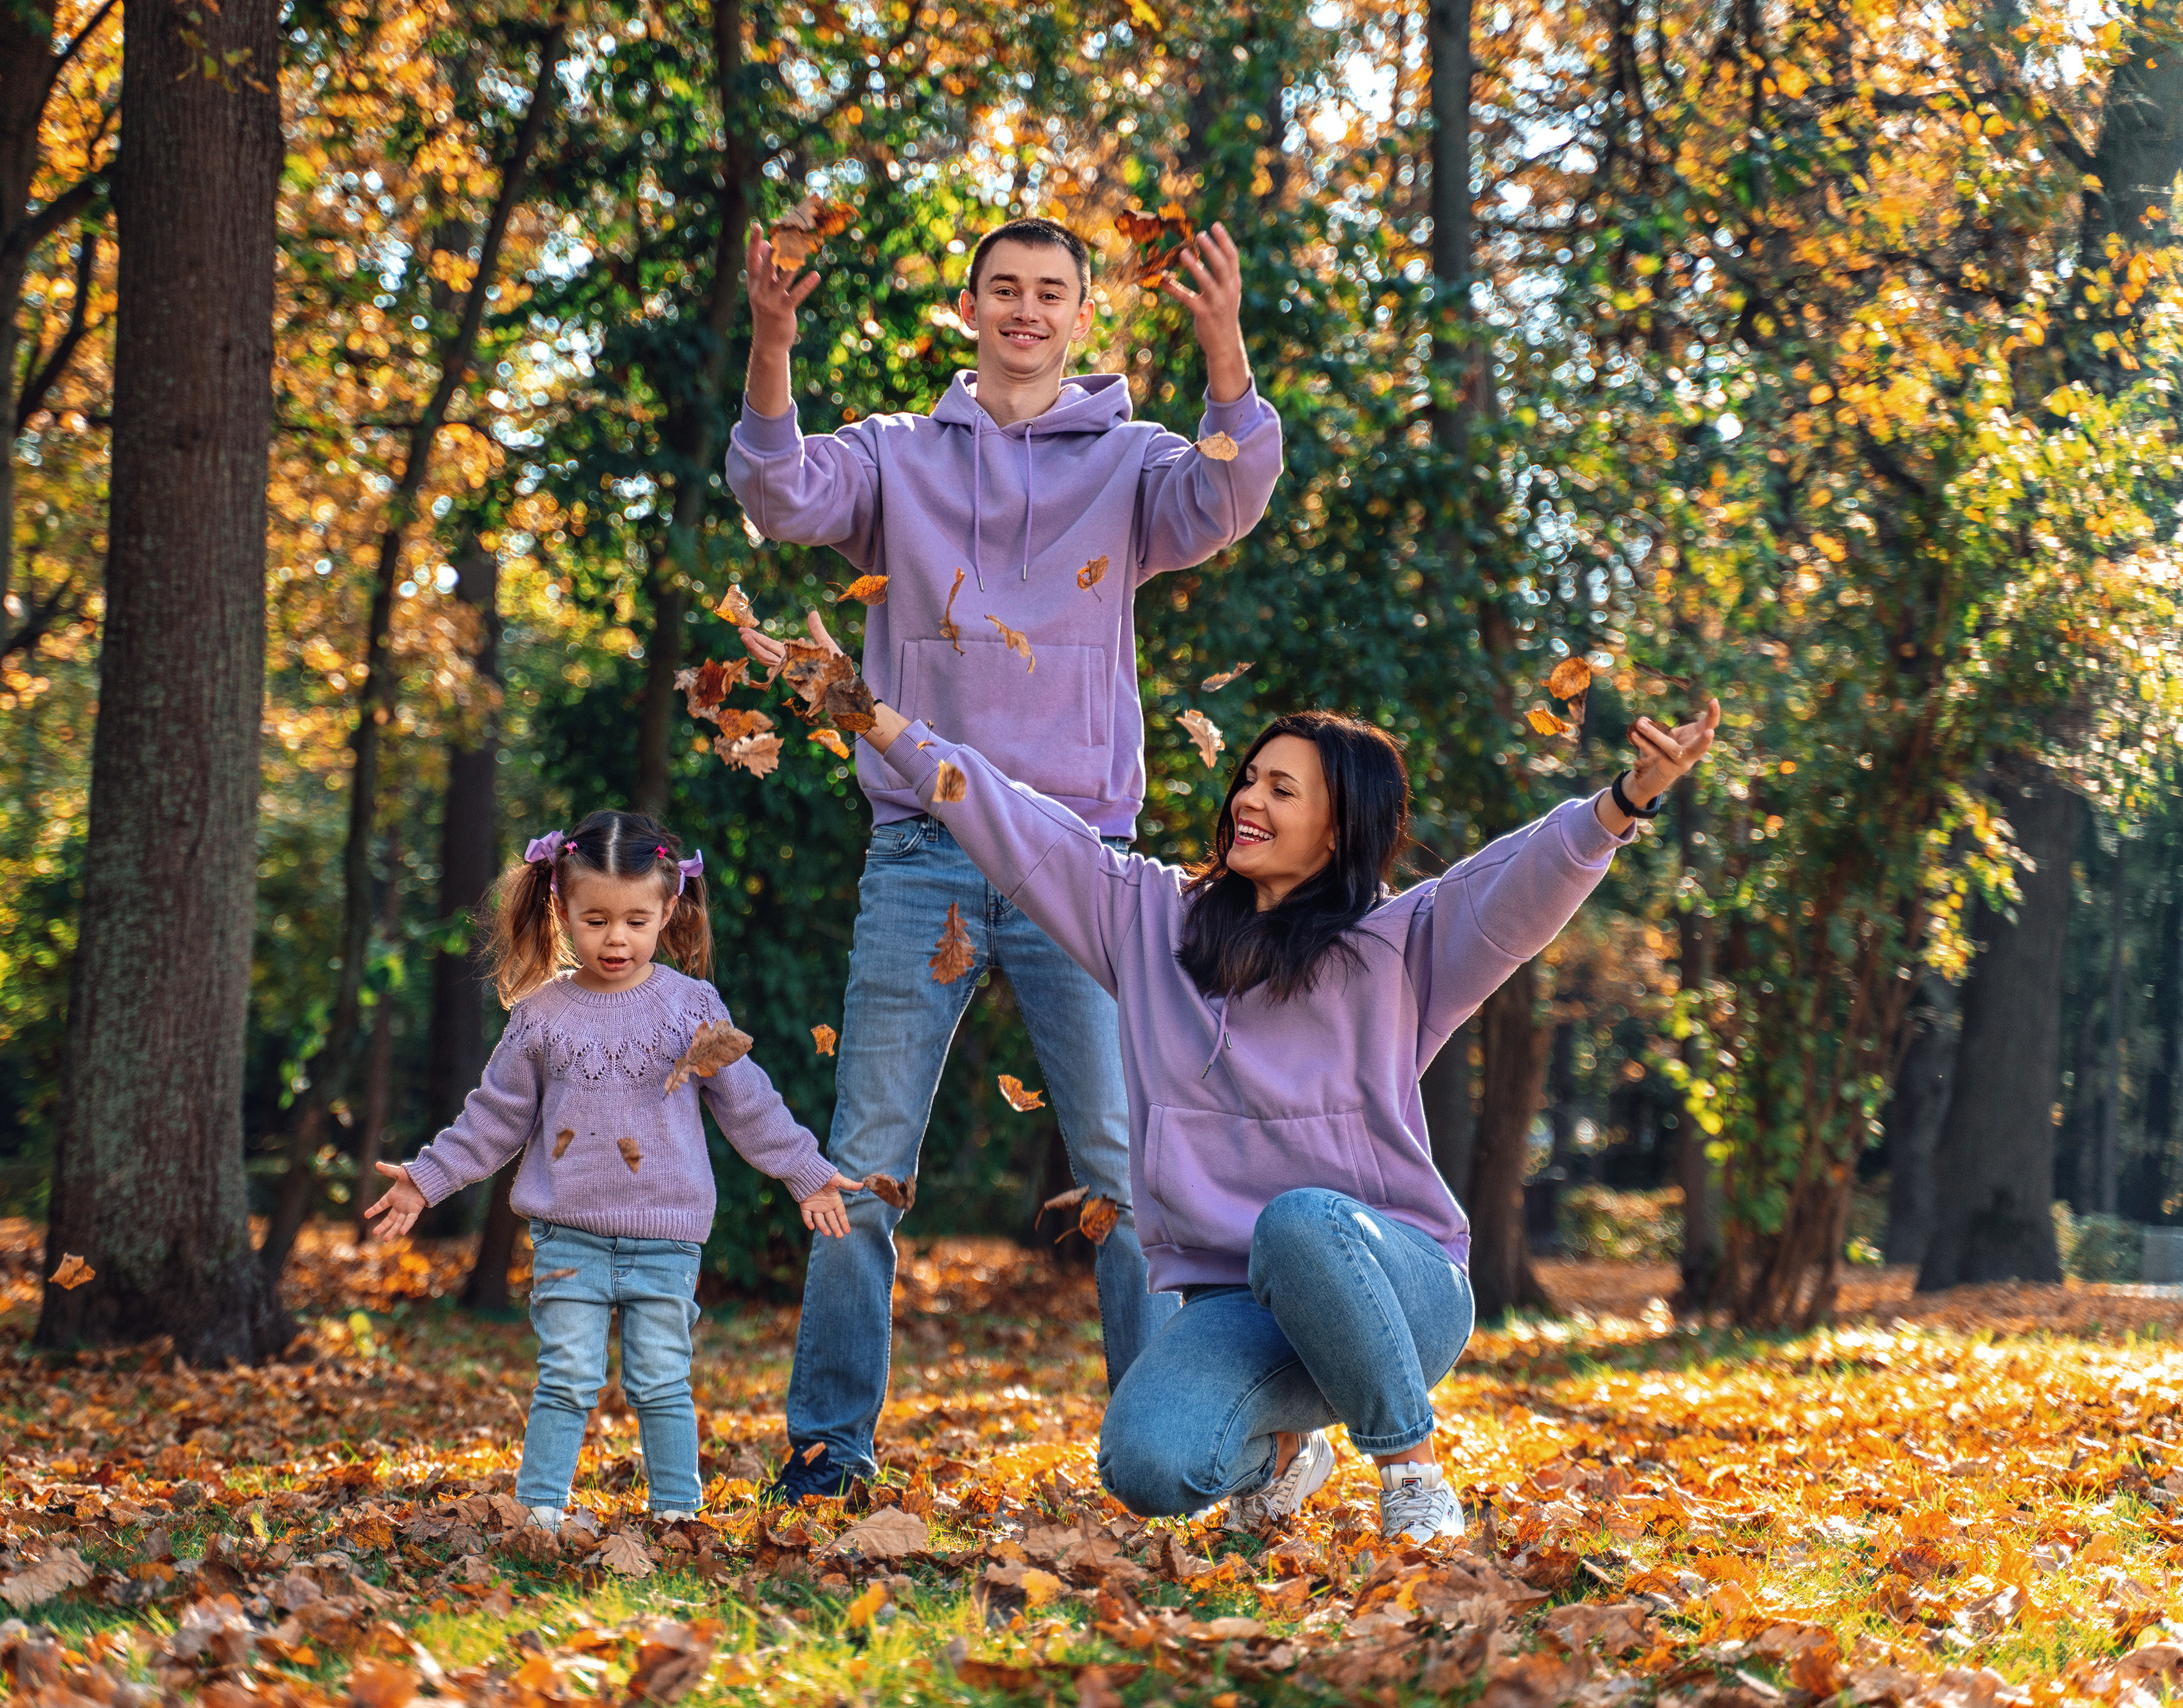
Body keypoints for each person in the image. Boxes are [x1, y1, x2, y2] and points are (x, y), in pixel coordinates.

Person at [783, 609, 1718, 1539]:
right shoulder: (1149, 918)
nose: (1248, 802)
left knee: (1300, 1218)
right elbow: (1007, 816)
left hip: (1397, 1285)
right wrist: (866, 713)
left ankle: (1412, 1472)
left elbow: (1524, 879)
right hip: (1244, 1311)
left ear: (1340, 829)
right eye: (1249, 780)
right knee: (1146, 1465)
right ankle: (1285, 1452)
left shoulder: (1399, 946)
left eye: (1283, 790)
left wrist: (1629, 798)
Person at [726, 213, 1285, 1499]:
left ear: (1081, 317)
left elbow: (1228, 495)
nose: (1026, 310)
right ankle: (826, 1449)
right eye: (1004, 290)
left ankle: (1177, 1449)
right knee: (860, 1163)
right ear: (968, 310)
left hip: (1078, 859)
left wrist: (1224, 350)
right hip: (921, 845)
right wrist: (772, 341)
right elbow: (776, 490)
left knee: (1130, 1176)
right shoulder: (898, 457)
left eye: (1051, 292)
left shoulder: (1136, 463)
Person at [364, 811, 857, 1529]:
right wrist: (426, 1176)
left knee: (661, 1381)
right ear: (561, 911)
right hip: (569, 1239)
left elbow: (749, 1103)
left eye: (634, 920)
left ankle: (678, 1518)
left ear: (668, 910)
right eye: (595, 920)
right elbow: (494, 1117)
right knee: (565, 1379)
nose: (616, 939)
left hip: (666, 1238)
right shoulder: (540, 1015)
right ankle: (538, 1516)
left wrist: (804, 1170)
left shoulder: (692, 1008)